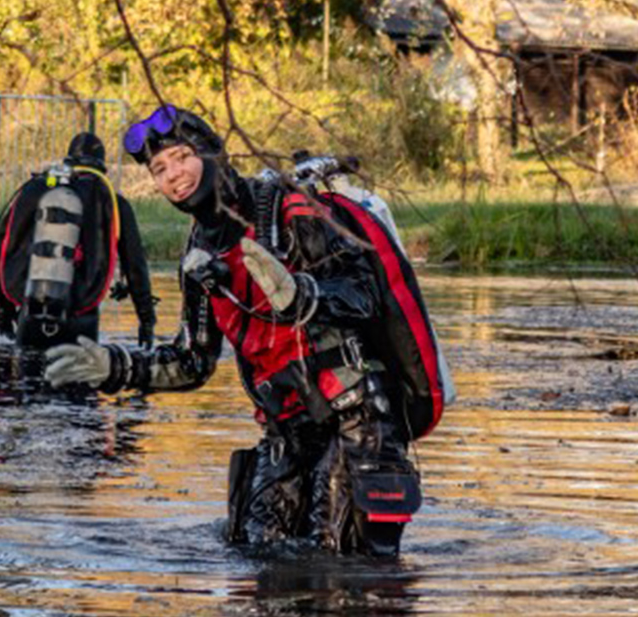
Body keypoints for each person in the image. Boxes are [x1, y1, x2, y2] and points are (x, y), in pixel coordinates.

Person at [43, 107, 447, 556]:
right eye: (160, 169)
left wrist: (301, 296)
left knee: (338, 566)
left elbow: (362, 293)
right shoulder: (197, 256)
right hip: (287, 430)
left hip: (357, 419)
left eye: (181, 157)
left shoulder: (289, 210)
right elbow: (191, 362)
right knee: (257, 553)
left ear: (212, 151)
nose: (174, 175)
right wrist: (115, 367)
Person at [0, 132, 156, 351]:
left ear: (68, 160)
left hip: (31, 309)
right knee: (78, 379)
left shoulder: (35, 189)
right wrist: (146, 321)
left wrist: (4, 309)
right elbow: (136, 266)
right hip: (83, 315)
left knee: (28, 377)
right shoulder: (113, 203)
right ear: (102, 166)